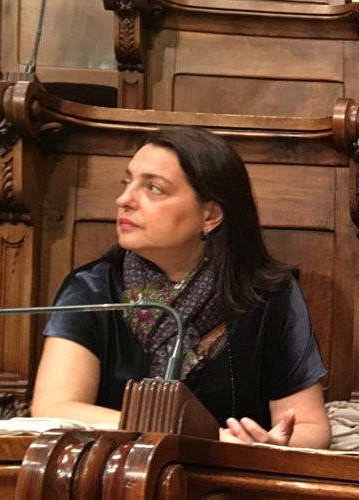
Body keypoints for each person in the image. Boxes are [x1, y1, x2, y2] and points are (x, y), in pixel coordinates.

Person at [30, 127, 331, 449]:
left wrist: (275, 446)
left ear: (210, 215)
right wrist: (205, 438)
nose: (124, 200)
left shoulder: (269, 295)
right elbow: (53, 408)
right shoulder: (91, 289)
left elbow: (310, 427)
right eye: (127, 183)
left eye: (154, 188)